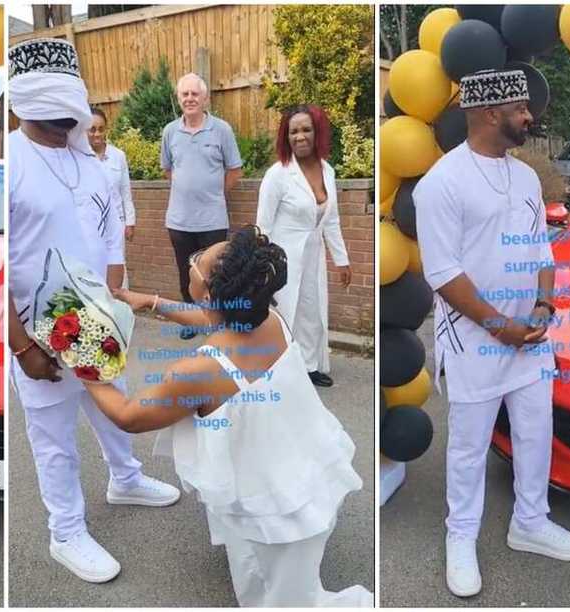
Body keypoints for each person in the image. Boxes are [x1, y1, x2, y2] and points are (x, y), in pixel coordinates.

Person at [81, 225, 372, 607]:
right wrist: (152, 302)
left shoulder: (200, 372)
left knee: (277, 594)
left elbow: (128, 415)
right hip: (300, 473)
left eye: (197, 260)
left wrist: (82, 363)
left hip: (269, 507)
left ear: (207, 291)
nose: (194, 257)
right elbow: (214, 320)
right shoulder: (270, 319)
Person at [7, 37, 181, 584]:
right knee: (53, 433)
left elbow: (108, 242)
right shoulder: (10, 164)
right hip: (35, 328)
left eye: (71, 113)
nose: (66, 124)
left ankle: (125, 478)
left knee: (111, 403)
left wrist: (108, 309)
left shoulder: (93, 165)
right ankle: (66, 532)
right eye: (53, 114)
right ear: (22, 105)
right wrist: (20, 346)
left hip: (92, 317)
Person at [412, 68, 570, 598]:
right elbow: (443, 275)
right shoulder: (441, 183)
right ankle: (460, 537)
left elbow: (541, 252)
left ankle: (530, 522)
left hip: (529, 337)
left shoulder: (527, 177)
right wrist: (500, 327)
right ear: (491, 114)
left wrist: (542, 304)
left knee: (536, 433)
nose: (529, 117)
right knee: (468, 447)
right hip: (475, 342)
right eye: (520, 108)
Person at [255, 105, 351, 388]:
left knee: (312, 312)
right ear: (286, 137)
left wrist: (341, 259)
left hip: (313, 255)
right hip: (281, 257)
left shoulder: (328, 171)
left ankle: (309, 367)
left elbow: (330, 219)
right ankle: (279, 371)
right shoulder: (278, 174)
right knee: (285, 313)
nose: (300, 137)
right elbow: (262, 225)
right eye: (293, 131)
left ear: (317, 132)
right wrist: (262, 267)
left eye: (306, 129)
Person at [160, 72, 243, 340]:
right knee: (186, 273)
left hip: (213, 219)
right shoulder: (170, 132)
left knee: (215, 273)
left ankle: (216, 320)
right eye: (184, 94)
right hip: (179, 221)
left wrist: (212, 194)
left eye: (195, 94)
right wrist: (189, 189)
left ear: (205, 98)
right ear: (178, 98)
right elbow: (168, 170)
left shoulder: (222, 130)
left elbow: (234, 170)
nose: (190, 98)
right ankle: (191, 320)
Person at [87, 106, 136, 289]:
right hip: (91, 223)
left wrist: (130, 222)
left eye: (101, 129)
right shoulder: (80, 157)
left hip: (117, 223)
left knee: (117, 265)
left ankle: (122, 308)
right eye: (92, 129)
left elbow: (125, 192)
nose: (97, 134)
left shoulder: (118, 156)